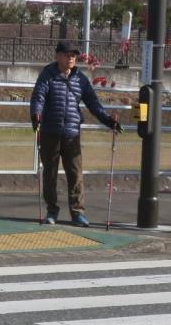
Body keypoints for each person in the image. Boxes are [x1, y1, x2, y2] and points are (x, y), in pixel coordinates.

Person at [30, 39, 122, 228]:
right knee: (50, 173)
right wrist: (36, 115)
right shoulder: (47, 75)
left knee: (75, 173)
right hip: (50, 131)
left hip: (72, 132)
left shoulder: (80, 79)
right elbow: (38, 97)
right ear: (58, 56)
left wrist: (108, 120)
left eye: (74, 56)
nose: (71, 58)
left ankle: (78, 212)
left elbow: (93, 104)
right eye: (67, 55)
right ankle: (52, 210)